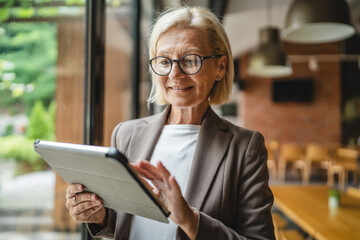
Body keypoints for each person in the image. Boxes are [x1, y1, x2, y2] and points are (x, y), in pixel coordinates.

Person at [65, 6, 275, 240]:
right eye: (164, 61)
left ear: (221, 67)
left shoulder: (245, 147)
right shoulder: (126, 134)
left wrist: (190, 219)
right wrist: (99, 216)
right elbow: (128, 223)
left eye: (190, 60)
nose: (175, 74)